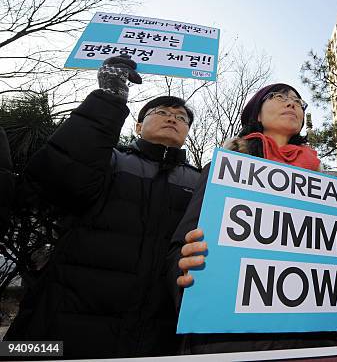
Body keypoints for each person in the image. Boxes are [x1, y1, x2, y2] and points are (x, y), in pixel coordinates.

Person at [167, 83, 337, 354]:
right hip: (225, 342)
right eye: (279, 97)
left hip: (315, 341)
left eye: (298, 101)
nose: (292, 103)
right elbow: (179, 247)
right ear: (257, 116)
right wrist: (184, 267)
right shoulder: (223, 169)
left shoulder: (332, 191)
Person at [5, 56, 201, 358]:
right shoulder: (108, 160)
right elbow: (57, 177)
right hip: (60, 330)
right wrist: (107, 102)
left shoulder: (201, 182)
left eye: (181, 117)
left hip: (159, 338)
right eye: (160, 111)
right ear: (137, 125)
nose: (172, 118)